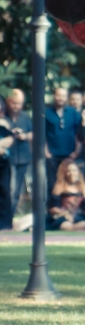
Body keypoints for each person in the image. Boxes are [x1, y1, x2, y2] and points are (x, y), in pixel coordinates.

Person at [45, 86, 81, 192]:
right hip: (53, 155)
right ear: (54, 96)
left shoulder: (73, 113)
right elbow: (42, 135)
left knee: (70, 182)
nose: (60, 98)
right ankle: (53, 208)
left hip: (70, 155)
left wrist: (76, 151)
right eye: (58, 95)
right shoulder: (47, 113)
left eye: (63, 96)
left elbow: (78, 133)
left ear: (67, 98)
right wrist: (46, 152)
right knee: (53, 184)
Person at [46, 159, 85, 231]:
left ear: (78, 172)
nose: (72, 173)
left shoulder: (83, 187)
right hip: (61, 216)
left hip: (76, 217)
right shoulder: (59, 187)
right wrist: (65, 214)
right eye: (68, 171)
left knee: (84, 224)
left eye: (74, 170)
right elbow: (52, 208)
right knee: (66, 225)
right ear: (64, 173)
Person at [5, 88, 32, 215]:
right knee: (8, 189)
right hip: (6, 159)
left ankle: (10, 217)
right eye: (13, 103)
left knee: (17, 190)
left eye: (19, 103)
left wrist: (24, 136)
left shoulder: (25, 116)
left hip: (23, 157)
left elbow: (34, 134)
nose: (16, 106)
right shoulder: (3, 116)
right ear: (8, 101)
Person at [0, 98, 14, 230]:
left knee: (4, 191)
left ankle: (5, 224)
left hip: (3, 162)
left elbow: (9, 139)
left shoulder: (4, 122)